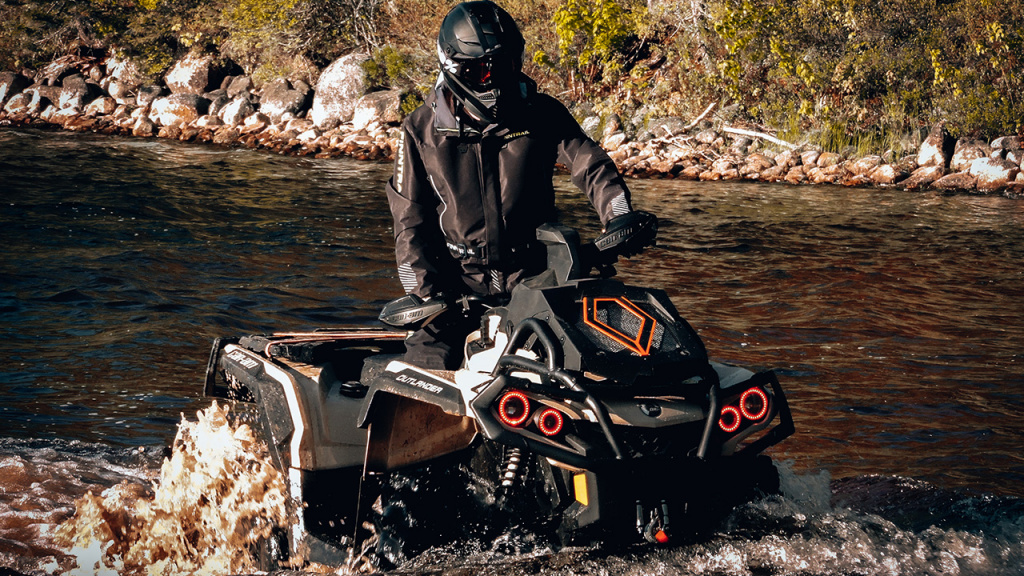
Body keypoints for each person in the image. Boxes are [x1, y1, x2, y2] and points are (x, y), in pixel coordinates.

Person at [384, 0, 640, 369]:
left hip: (536, 280)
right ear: (451, 65)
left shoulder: (544, 113)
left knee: (587, 364)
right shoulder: (419, 129)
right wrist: (426, 294)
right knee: (424, 375)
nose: (491, 80)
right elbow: (409, 222)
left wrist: (619, 216)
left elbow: (590, 164)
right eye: (477, 71)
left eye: (501, 67)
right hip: (454, 287)